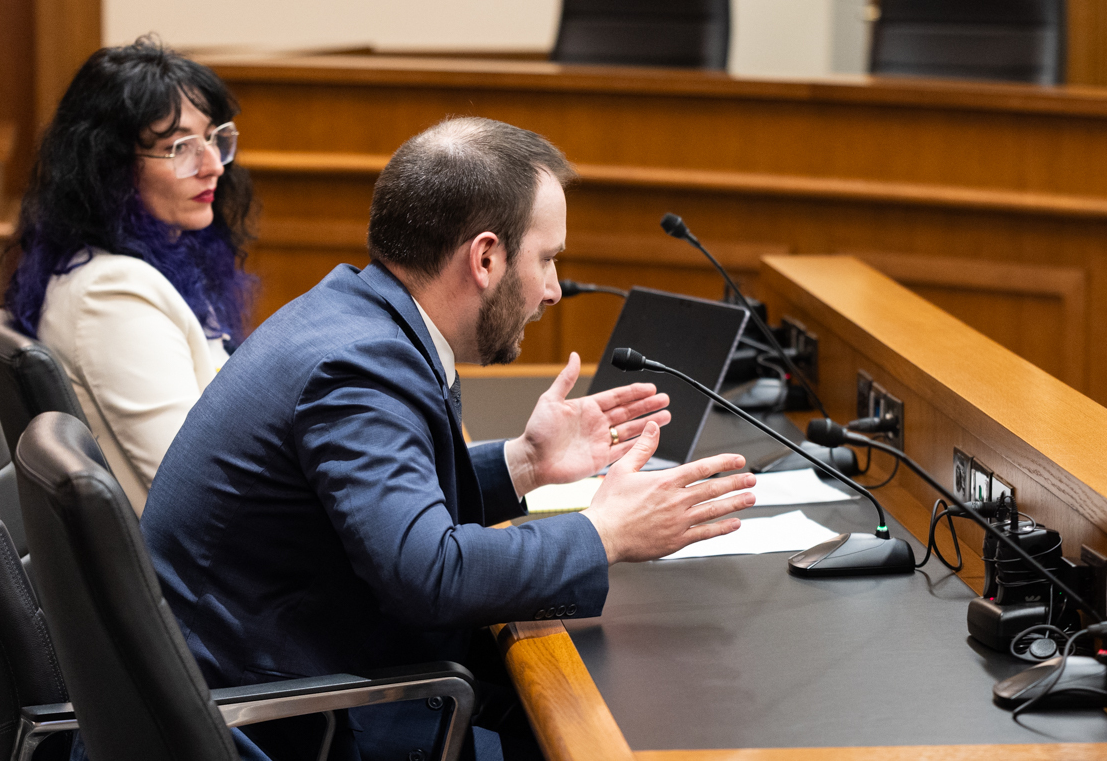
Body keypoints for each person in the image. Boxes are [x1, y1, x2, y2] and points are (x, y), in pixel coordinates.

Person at [142, 117, 757, 760]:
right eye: (546, 260)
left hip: (272, 683)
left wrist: (524, 463)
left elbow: (367, 510)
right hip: (287, 725)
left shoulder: (355, 317)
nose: (552, 291)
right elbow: (428, 574)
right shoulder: (359, 368)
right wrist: (605, 534)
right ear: (485, 258)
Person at [5, 37, 254, 513]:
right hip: (196, 575)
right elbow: (199, 485)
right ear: (110, 167)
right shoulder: (113, 296)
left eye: (213, 138)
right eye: (179, 146)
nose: (210, 166)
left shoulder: (149, 262)